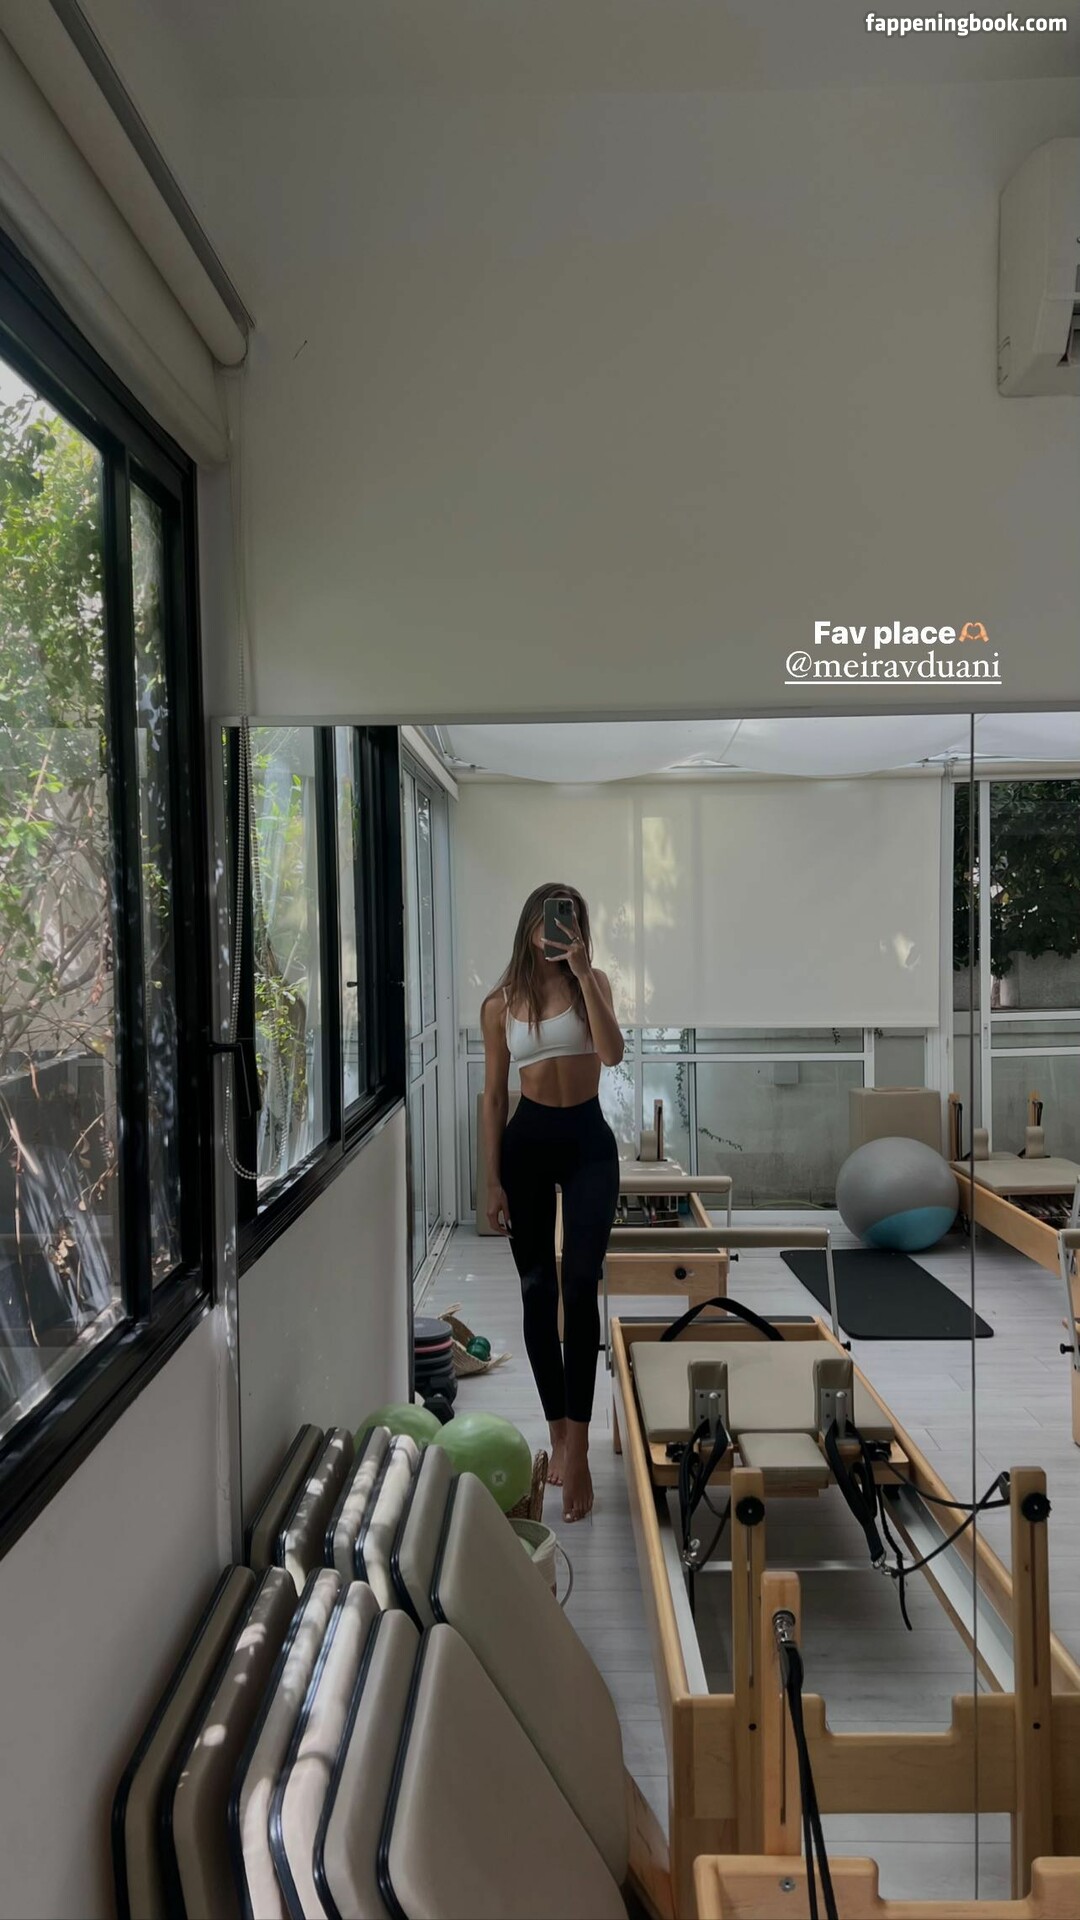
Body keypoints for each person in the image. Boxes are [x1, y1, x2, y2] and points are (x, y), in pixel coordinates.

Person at [481, 883, 624, 1522]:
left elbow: (612, 1054)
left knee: (581, 1284)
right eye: (548, 918)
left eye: (568, 919)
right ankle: (558, 1433)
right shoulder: (500, 1004)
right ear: (530, 924)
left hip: (589, 1142)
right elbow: (494, 1097)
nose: (557, 929)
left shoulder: (595, 983)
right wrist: (492, 1181)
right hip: (528, 1146)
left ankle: (583, 1446)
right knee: (537, 1290)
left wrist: (584, 972)